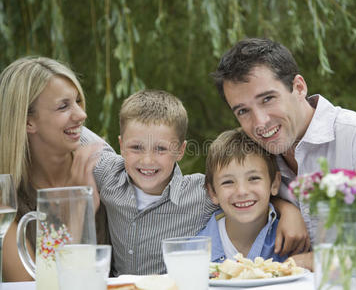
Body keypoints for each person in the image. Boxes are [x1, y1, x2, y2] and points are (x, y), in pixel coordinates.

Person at [212, 38, 356, 267]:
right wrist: (282, 206)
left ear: (299, 87)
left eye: (267, 99)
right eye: (243, 111)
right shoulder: (255, 152)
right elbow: (220, 193)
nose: (260, 122)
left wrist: (315, 260)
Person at [85, 89, 308, 275]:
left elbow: (245, 193)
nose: (147, 160)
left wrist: (288, 210)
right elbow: (74, 131)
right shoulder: (108, 174)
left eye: (161, 148)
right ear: (121, 145)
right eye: (136, 147)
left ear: (181, 150)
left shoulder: (201, 193)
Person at [0, 56, 111, 281]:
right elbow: (29, 286)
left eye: (78, 101)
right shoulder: (6, 200)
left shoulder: (101, 168)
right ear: (28, 122)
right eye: (63, 106)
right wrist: (77, 209)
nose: (82, 115)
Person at [198, 128, 289, 263]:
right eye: (228, 182)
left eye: (253, 178)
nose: (242, 191)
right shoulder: (194, 253)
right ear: (212, 192)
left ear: (274, 184)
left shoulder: (291, 241)